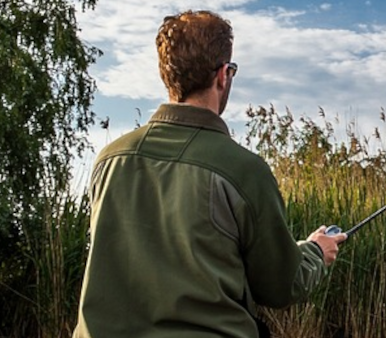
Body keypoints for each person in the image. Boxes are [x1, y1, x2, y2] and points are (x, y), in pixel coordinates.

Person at [73, 10, 346, 338]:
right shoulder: (244, 170)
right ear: (223, 75)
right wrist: (317, 251)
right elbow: (280, 288)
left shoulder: (109, 160)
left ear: (167, 75)